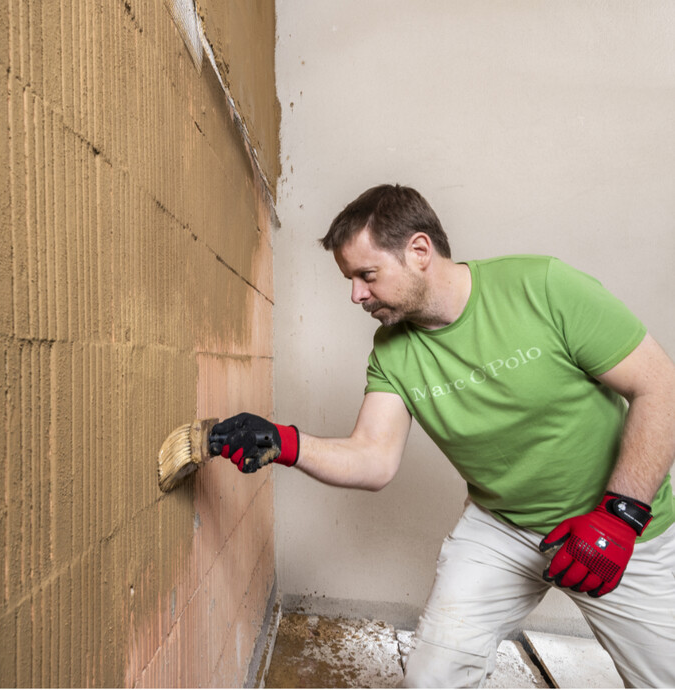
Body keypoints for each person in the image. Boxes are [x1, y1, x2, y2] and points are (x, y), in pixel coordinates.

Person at [209, 184, 675, 688]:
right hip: (504, 528)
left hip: (623, 526)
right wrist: (282, 441)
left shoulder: (542, 286)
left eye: (367, 275)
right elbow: (372, 458)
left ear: (419, 250)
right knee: (434, 677)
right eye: (350, 279)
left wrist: (621, 515)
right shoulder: (392, 350)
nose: (356, 295)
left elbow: (660, 387)